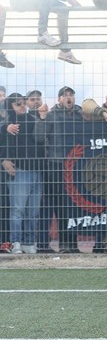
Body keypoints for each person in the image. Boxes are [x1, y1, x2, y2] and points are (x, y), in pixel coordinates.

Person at [1, 94, 45, 254]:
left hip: (37, 170)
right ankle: (16, 242)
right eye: (17, 104)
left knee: (33, 211)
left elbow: (41, 139)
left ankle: (28, 242)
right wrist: (3, 159)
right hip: (19, 171)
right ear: (10, 106)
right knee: (18, 209)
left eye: (22, 103)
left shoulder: (33, 119)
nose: (22, 106)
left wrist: (43, 118)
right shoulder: (7, 123)